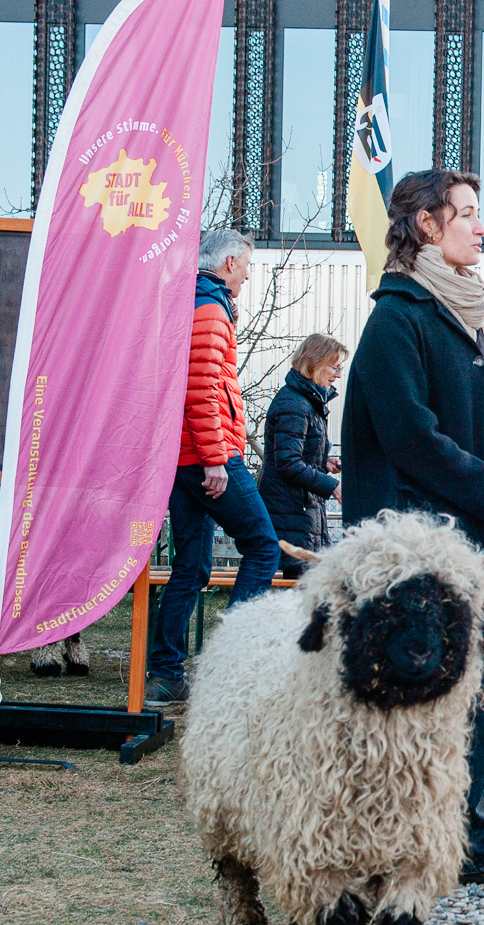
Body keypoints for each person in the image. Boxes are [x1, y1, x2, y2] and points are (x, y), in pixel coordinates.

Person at [342, 168, 484, 887]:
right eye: (467, 214)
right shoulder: (397, 319)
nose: (480, 227)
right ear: (427, 224)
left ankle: (473, 835)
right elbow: (412, 438)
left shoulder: (462, 317)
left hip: (482, 547)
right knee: (423, 709)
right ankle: (410, 842)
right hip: (420, 557)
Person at [144, 229, 283, 708]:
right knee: (263, 547)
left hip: (179, 458)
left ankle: (165, 676)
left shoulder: (192, 301)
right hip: (207, 455)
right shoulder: (210, 308)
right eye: (245, 265)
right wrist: (216, 459)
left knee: (191, 565)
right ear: (227, 262)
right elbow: (200, 390)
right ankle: (231, 665)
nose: (247, 275)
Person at [258, 333, 345, 577]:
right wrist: (332, 486)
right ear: (314, 363)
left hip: (301, 512)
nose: (338, 375)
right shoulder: (294, 404)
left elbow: (295, 452)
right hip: (289, 512)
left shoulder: (307, 402)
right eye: (334, 367)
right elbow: (287, 462)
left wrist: (324, 462)